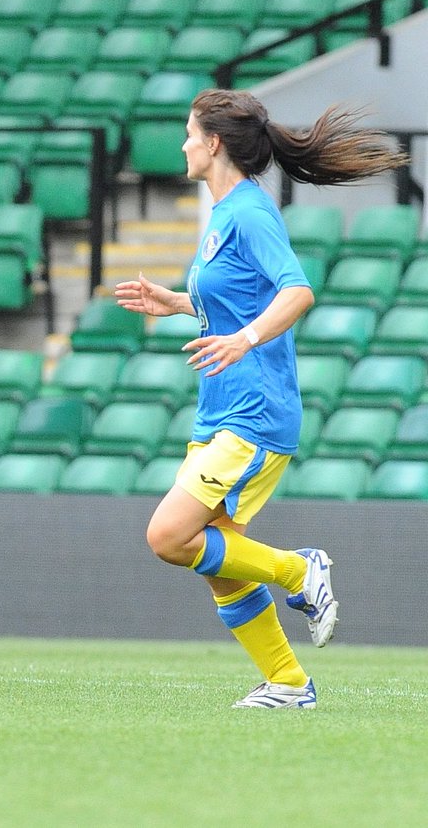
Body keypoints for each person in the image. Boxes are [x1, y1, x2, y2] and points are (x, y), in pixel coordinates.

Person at [114, 89, 408, 709]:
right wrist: (176, 302)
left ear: (215, 142)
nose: (184, 144)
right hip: (221, 407)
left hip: (254, 410)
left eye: (191, 133)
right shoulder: (223, 213)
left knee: (168, 536)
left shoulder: (248, 211)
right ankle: (288, 683)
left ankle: (301, 572)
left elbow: (296, 292)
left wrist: (244, 341)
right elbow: (236, 295)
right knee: (220, 560)